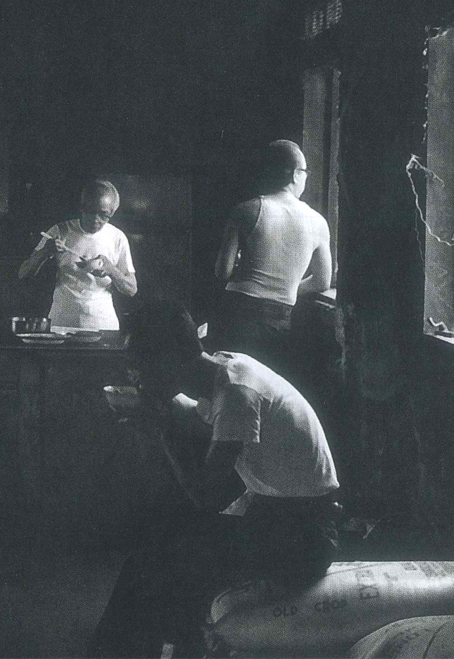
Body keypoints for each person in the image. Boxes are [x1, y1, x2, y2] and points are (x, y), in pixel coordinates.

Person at [92, 301, 340, 658]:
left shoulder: (238, 393)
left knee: (161, 560)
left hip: (303, 536)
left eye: (140, 365)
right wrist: (158, 403)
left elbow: (208, 498)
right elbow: (199, 413)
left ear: (171, 358)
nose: (136, 376)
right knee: (157, 548)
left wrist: (160, 428)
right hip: (278, 517)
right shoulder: (225, 368)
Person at [210, 139, 332, 372]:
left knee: (228, 385)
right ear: (296, 174)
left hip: (237, 313)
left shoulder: (247, 210)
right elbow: (322, 281)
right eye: (305, 171)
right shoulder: (318, 222)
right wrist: (286, 286)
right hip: (279, 320)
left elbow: (222, 271)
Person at [19, 179, 137, 330]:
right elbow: (23, 274)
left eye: (103, 215)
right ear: (82, 207)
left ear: (112, 213)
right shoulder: (60, 231)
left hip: (102, 325)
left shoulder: (117, 237)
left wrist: (111, 269)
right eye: (90, 211)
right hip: (61, 323)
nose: (95, 219)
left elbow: (132, 289)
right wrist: (45, 252)